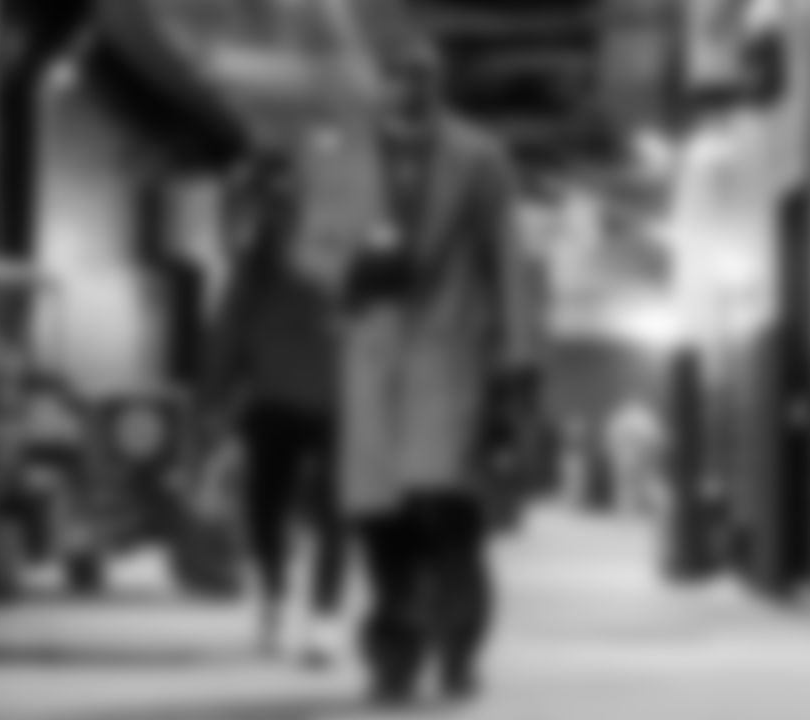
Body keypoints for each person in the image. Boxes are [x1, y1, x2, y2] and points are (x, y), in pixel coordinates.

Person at [338, 39, 538, 705]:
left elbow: (508, 261)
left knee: (453, 520)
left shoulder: (480, 157)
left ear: (439, 84)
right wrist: (350, 276)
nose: (409, 89)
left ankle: (458, 650)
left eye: (421, 77)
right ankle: (393, 659)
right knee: (381, 529)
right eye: (397, 77)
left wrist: (517, 361)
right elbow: (314, 246)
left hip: (450, 360)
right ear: (379, 85)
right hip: (371, 369)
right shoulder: (342, 156)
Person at [201, 148, 348, 666]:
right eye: (275, 202)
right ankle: (274, 597)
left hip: (336, 405)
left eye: (289, 200)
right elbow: (228, 331)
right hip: (273, 402)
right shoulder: (253, 266)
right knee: (266, 510)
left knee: (334, 513)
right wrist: (215, 396)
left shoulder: (337, 256)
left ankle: (324, 618)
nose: (283, 210)